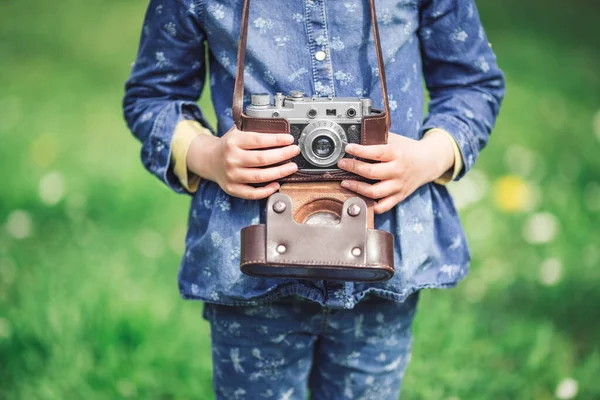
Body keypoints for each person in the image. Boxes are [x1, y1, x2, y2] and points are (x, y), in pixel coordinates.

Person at [123, 0, 504, 398]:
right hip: (250, 266)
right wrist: (209, 156)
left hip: (382, 263)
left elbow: (473, 83)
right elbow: (153, 95)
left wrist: (427, 158)